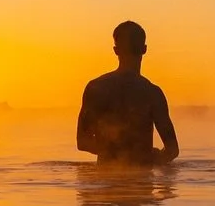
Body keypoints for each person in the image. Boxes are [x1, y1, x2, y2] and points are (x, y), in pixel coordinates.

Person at [76, 20, 179, 165]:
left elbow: (83, 141)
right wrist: (147, 157)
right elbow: (172, 150)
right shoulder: (152, 93)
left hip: (103, 182)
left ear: (116, 50)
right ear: (144, 49)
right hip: (142, 181)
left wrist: (113, 152)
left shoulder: (96, 88)